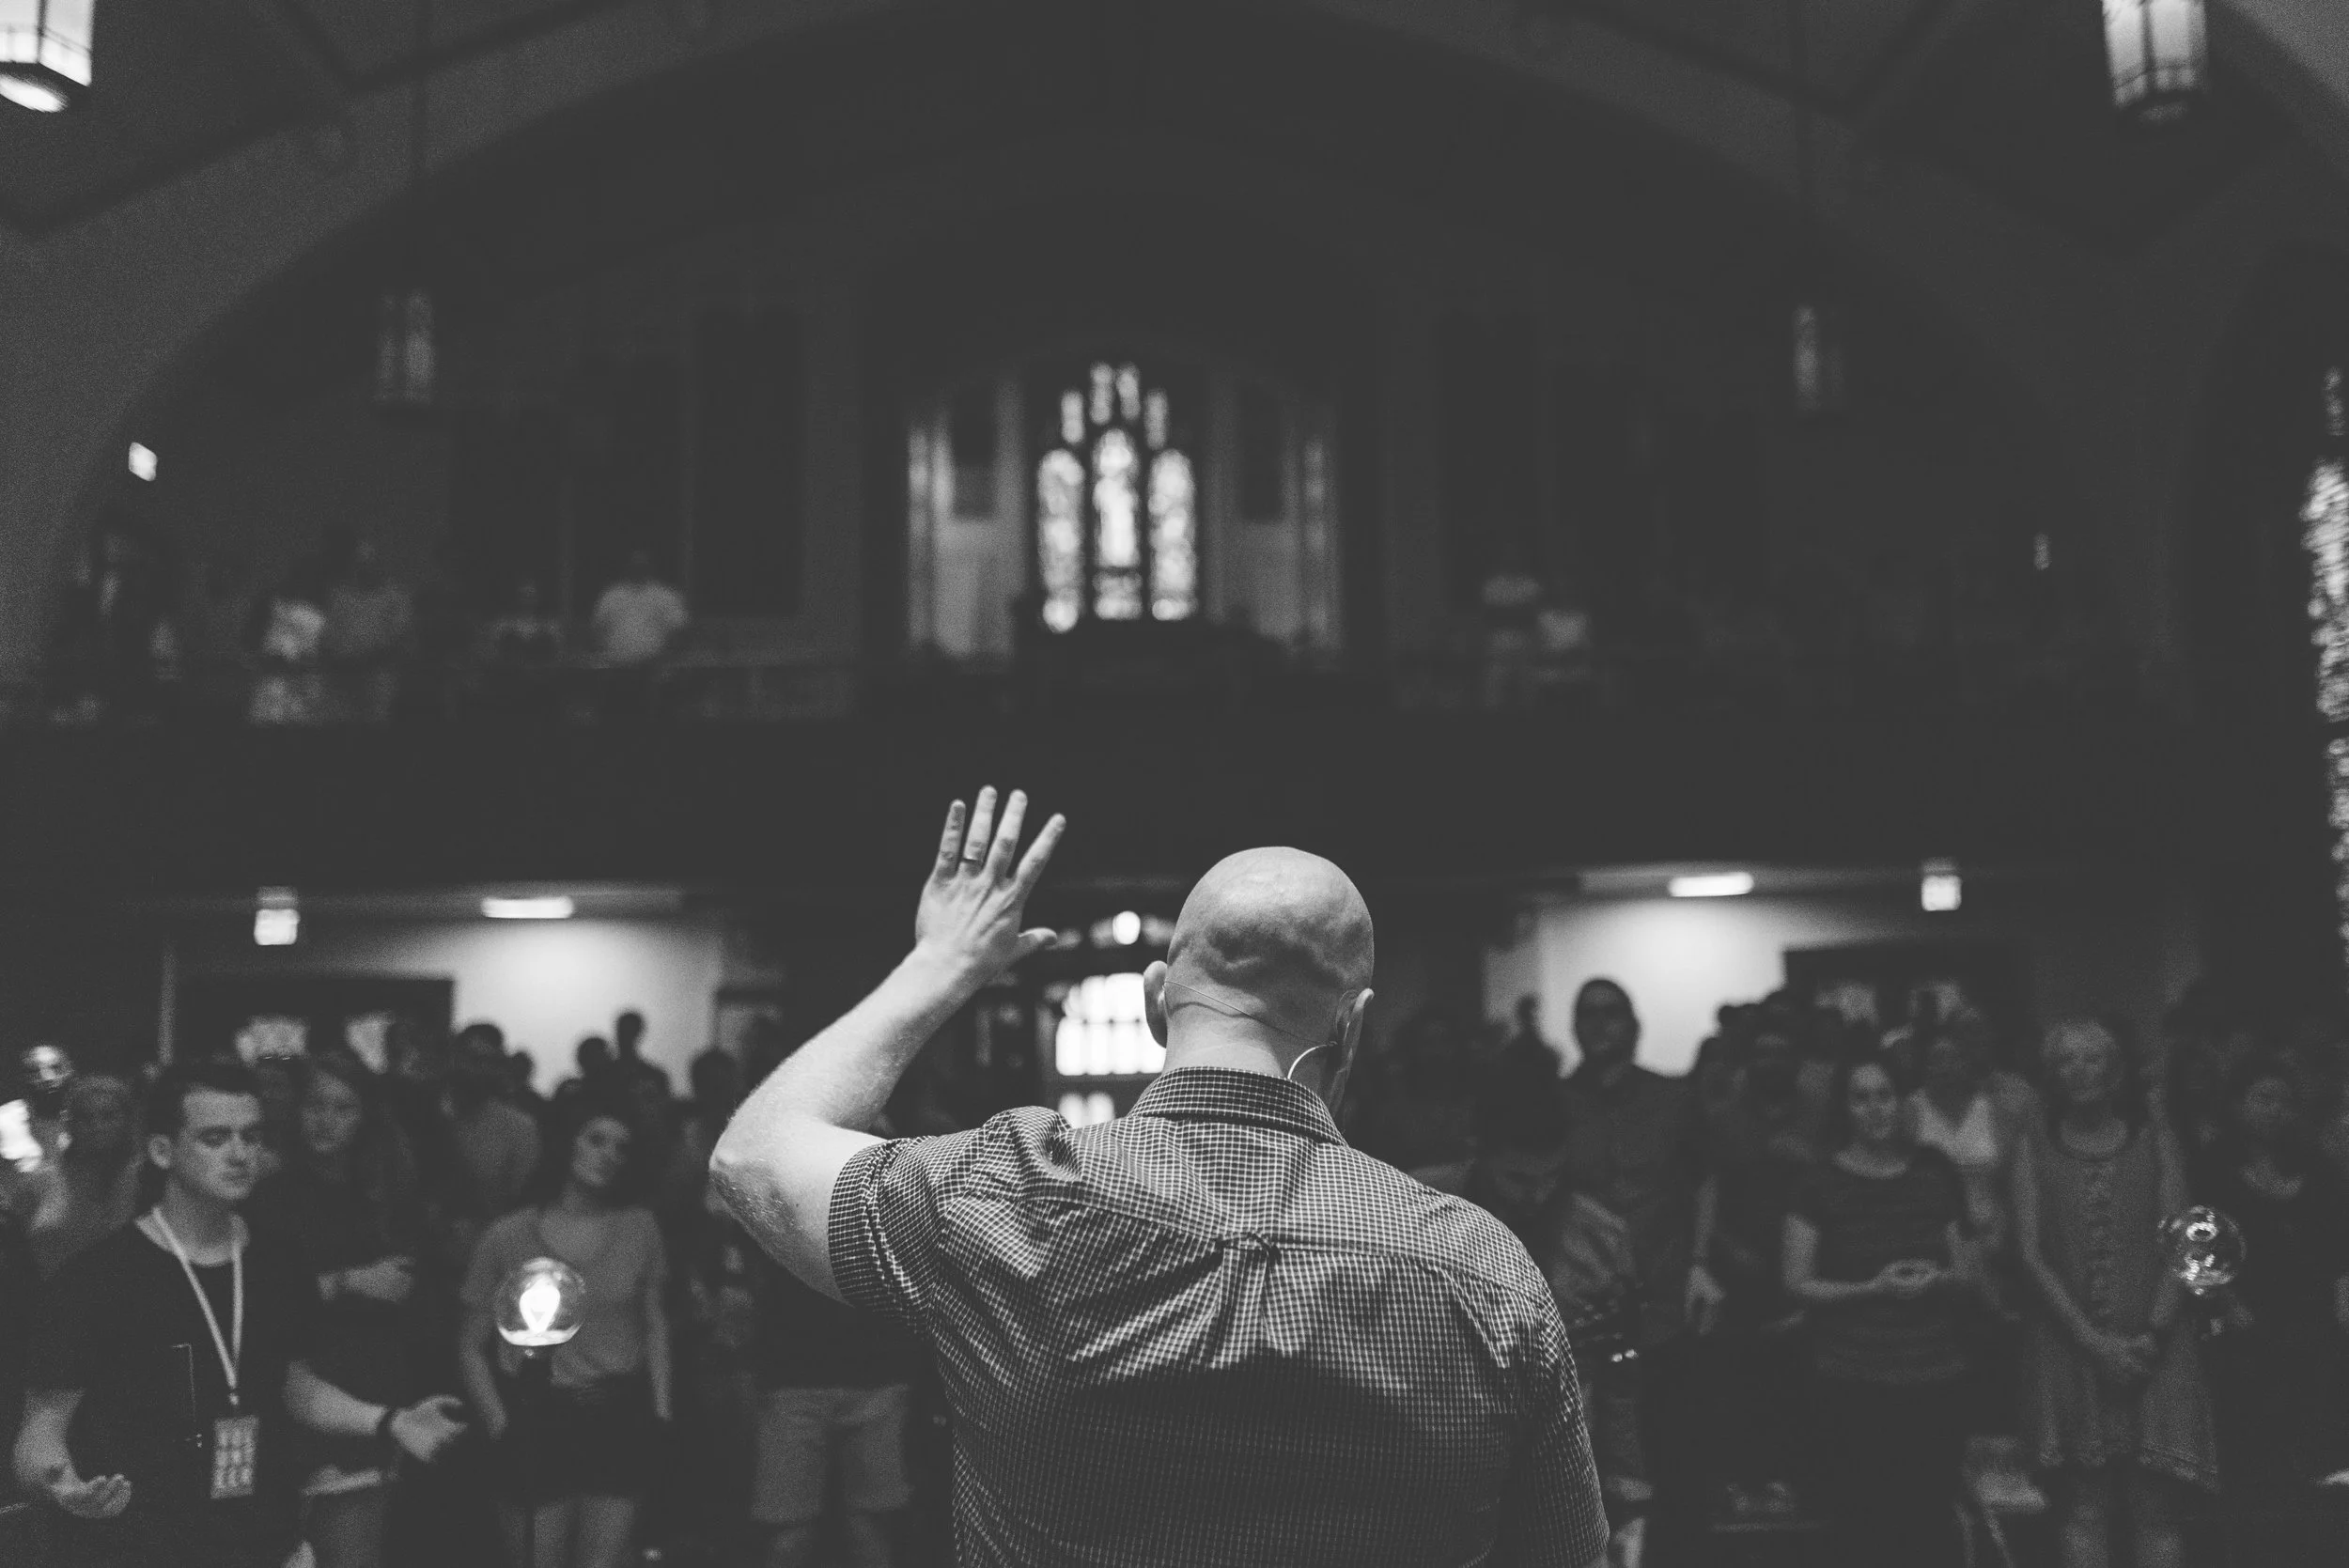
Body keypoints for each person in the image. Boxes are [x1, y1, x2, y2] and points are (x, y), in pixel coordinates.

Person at [711, 789, 1609, 1567]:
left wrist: (938, 967)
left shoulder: (1006, 1198)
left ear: (1152, 1000)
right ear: (1355, 1028)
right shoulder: (1484, 1272)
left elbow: (754, 1155)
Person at [13, 1058, 466, 1568]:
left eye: (250, 1137)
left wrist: (388, 1421)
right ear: (163, 1151)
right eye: (214, 1138)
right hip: (144, 1550)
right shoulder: (99, 1278)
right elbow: (42, 1426)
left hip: (267, 1543)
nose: (239, 1154)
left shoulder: (278, 1260)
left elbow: (294, 1386)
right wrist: (61, 1485)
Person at [2013, 1019, 2216, 1568]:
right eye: (2066, 1061)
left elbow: (2185, 1239)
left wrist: (2151, 1334)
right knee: (2083, 1510)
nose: (2080, 1071)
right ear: (2051, 1076)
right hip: (2068, 1346)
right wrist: (2094, 1343)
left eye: (2093, 1058)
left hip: (2158, 1346)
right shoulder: (2033, 1146)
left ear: (2115, 1069)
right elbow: (2029, 1254)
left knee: (2159, 1513)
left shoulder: (2157, 1139)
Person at [459, 1096, 673, 1568]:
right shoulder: (509, 1234)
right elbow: (470, 1345)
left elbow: (654, 1325)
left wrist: (660, 1416)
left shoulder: (639, 1227)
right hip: (536, 1413)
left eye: (621, 1148)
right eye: (596, 1139)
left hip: (616, 1413)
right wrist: (501, 1426)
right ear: (567, 1142)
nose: (608, 1155)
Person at [1782, 1058, 1978, 1568]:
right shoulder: (1819, 1182)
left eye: (1885, 1095)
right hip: (1852, 1376)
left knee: (1929, 1519)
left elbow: (1970, 1274)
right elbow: (1797, 1281)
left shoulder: (1935, 1171)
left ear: (1902, 1100)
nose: (1875, 1108)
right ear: (1844, 1109)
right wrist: (1871, 1288)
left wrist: (1935, 1280)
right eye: (1862, 1097)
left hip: (1934, 1372)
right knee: (1862, 1523)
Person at [246, 1053, 428, 1568]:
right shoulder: (271, 1193)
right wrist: (348, 1281)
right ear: (296, 1111)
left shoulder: (387, 1191)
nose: (326, 1121)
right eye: (315, 1106)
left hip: (367, 1380)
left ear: (365, 1115)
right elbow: (260, 1296)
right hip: (286, 1388)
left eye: (342, 1108)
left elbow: (407, 1290)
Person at [2197, 1056, 2349, 1494]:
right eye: (2264, 1098)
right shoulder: (2212, 1171)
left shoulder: (2317, 1168)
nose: (2275, 1109)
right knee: (2260, 1428)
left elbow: (2339, 1242)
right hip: (2247, 1316)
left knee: (2320, 1418)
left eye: (2284, 1100)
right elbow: (2198, 1247)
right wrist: (2229, 1302)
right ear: (2237, 1104)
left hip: (2312, 1312)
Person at [1689, 1021, 1817, 1521]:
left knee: (1794, 1380)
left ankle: (1789, 1482)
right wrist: (1725, 1249)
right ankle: (1741, 1485)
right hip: (1739, 1270)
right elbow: (1705, 1195)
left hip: (1803, 1272)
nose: (1772, 1062)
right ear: (1751, 1061)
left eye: (1782, 1052)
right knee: (1738, 1382)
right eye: (1763, 1052)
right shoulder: (1722, 1119)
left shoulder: (1818, 1118)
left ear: (1796, 1060)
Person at [743, 1216, 923, 1568]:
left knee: (866, 1527)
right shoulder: (776, 1176)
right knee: (793, 1531)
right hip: (799, 1376)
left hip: (872, 1375)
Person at [23, 1072, 142, 1281]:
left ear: (127, 1120)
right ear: (71, 1125)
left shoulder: (148, 1178)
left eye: (107, 1116)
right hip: (55, 1298)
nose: (96, 1127)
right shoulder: (43, 1180)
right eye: (84, 1118)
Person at [320, 539, 413, 724]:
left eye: (370, 563)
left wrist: (365, 660)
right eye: (361, 563)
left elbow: (399, 638)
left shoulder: (395, 597)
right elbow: (329, 636)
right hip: (342, 678)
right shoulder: (340, 597)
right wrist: (340, 660)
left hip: (379, 678)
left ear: (379, 565)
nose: (365, 568)